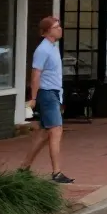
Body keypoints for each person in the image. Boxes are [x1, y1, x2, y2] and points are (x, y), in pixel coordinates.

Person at [21, 16, 73, 183]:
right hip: (47, 93)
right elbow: (36, 74)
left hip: (54, 93)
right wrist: (33, 97)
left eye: (59, 26)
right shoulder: (43, 50)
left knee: (44, 133)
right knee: (56, 131)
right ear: (47, 31)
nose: (60, 29)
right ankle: (56, 172)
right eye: (56, 27)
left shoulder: (53, 47)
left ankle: (24, 167)